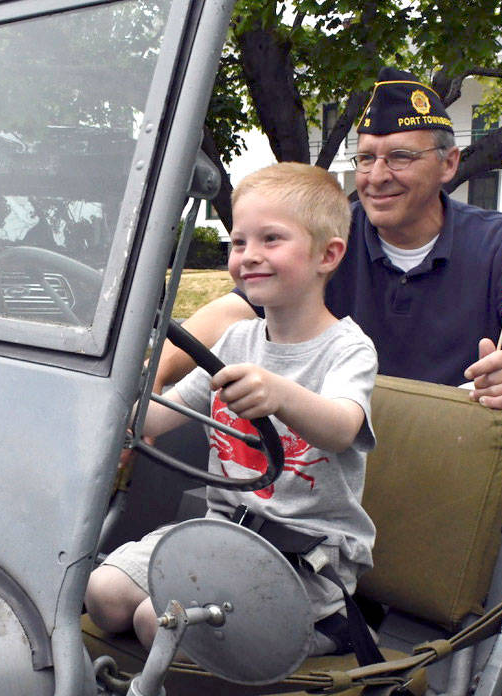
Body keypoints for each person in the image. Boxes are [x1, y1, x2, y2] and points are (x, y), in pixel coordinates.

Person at [86, 163, 378, 653]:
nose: (249, 257)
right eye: (239, 242)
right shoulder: (237, 339)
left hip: (301, 555)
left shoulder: (347, 349)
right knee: (103, 595)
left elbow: (342, 428)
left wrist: (281, 395)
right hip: (221, 533)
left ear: (328, 255)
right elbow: (163, 414)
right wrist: (121, 402)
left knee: (157, 622)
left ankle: (328, 626)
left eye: (271, 239)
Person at [158, 68, 502, 412]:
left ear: (449, 163)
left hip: (451, 451)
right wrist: (151, 374)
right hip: (323, 437)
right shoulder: (330, 233)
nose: (376, 177)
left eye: (400, 157)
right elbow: (236, 310)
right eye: (366, 158)